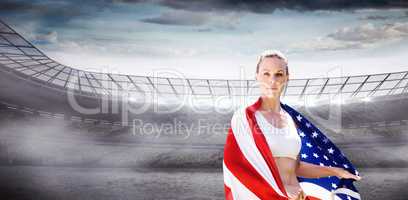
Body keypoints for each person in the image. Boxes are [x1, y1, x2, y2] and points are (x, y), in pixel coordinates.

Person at [223, 50, 361, 200]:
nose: (272, 80)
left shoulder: (291, 119)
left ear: (287, 78)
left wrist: (335, 171)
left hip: (299, 196)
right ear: (257, 76)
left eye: (279, 74)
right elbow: (238, 167)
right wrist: (281, 191)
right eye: (266, 73)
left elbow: (296, 168)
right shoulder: (244, 118)